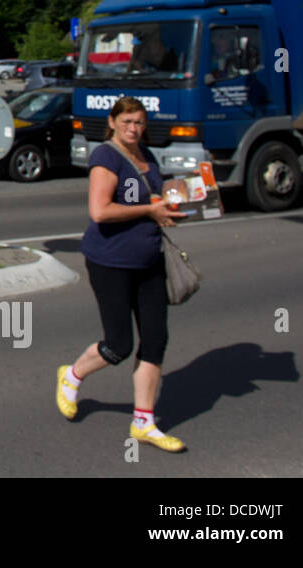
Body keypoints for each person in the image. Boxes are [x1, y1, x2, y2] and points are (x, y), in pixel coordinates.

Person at [56, 95, 188, 451]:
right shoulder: (106, 156)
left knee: (156, 338)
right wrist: (149, 210)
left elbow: (156, 196)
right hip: (110, 262)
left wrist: (176, 202)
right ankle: (72, 374)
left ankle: (143, 421)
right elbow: (99, 211)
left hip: (149, 260)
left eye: (140, 122)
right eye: (127, 122)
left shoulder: (148, 157)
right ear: (112, 122)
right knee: (118, 344)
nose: (134, 129)